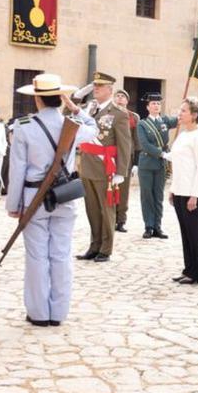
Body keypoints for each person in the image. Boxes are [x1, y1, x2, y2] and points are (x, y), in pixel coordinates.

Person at [7, 74, 97, 326]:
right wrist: (76, 109)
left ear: (37, 99)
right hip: (64, 197)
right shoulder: (73, 124)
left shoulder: (23, 126)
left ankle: (38, 313)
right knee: (61, 254)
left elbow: (17, 170)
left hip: (33, 197)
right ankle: (58, 313)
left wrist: (13, 205)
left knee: (37, 256)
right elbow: (95, 129)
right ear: (60, 98)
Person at [72, 72, 131, 262]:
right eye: (94, 86)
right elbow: (68, 113)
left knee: (106, 210)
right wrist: (79, 94)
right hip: (87, 165)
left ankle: (106, 248)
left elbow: (125, 144)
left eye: (100, 86)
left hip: (106, 167)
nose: (96, 89)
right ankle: (94, 245)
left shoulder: (119, 114)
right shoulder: (90, 110)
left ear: (110, 90)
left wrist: (121, 172)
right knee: (92, 209)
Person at [165, 97, 198, 285]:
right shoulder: (183, 135)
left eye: (184, 111)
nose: (179, 113)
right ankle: (188, 269)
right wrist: (173, 189)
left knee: (194, 233)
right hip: (180, 191)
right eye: (180, 110)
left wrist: (196, 195)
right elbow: (178, 163)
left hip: (193, 193)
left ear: (194, 115)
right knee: (185, 232)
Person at [136, 92, 177, 240]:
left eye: (158, 104)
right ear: (147, 107)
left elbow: (180, 120)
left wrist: (186, 108)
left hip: (160, 165)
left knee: (158, 196)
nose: (156, 106)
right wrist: (162, 153)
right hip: (147, 163)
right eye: (153, 104)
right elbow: (145, 145)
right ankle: (148, 226)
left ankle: (158, 227)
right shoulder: (142, 124)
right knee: (147, 196)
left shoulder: (165, 120)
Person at [113, 89, 136, 233]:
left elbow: (136, 140)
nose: (120, 98)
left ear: (127, 101)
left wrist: (137, 161)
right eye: (118, 96)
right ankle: (109, 218)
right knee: (108, 189)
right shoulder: (108, 113)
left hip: (126, 158)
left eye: (123, 96)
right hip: (109, 156)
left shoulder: (133, 117)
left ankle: (121, 220)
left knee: (123, 191)